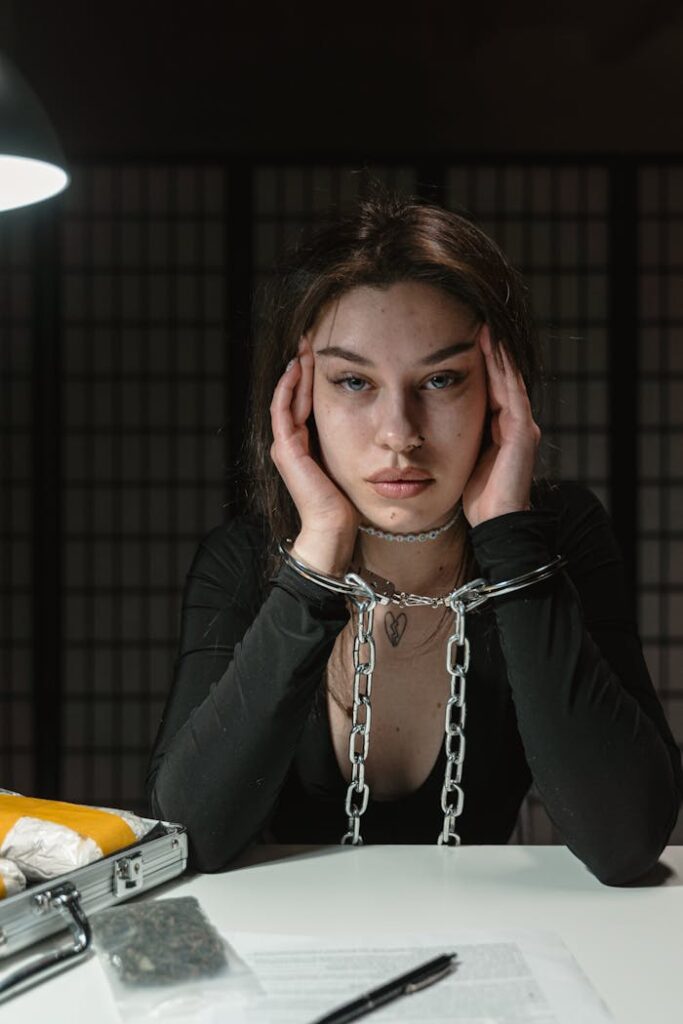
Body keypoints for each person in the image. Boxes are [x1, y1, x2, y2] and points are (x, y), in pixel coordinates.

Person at [146, 184, 683, 885]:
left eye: (439, 380)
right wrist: (316, 562)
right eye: (351, 382)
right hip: (283, 966)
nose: (398, 435)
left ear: (500, 388)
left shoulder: (559, 538)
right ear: (296, 396)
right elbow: (188, 839)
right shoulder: (245, 559)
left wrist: (509, 539)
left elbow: (626, 841)